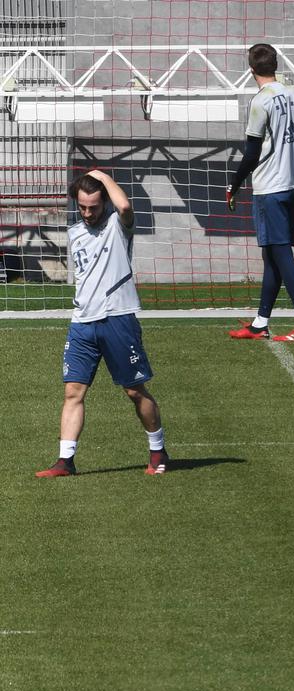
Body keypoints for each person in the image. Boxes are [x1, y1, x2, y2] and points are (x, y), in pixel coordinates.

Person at [37, 170, 169, 478]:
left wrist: (103, 176)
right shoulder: (74, 232)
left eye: (93, 207)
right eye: (82, 207)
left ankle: (158, 451)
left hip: (118, 318)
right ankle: (65, 461)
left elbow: (124, 206)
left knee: (134, 391)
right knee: (73, 391)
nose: (87, 213)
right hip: (82, 322)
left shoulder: (118, 226)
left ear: (104, 202)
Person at [226, 42, 294, 342]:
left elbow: (252, 153)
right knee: (272, 256)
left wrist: (234, 184)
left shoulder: (260, 102)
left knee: (281, 254)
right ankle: (260, 323)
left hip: (270, 188)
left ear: (251, 69)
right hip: (293, 186)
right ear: (276, 65)